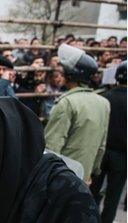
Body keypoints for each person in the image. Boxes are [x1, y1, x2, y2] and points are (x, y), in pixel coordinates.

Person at [45, 44, 109, 183]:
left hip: (61, 177)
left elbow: (52, 146)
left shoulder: (66, 102)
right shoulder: (103, 103)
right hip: (84, 175)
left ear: (70, 75)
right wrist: (91, 172)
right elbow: (101, 146)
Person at [90, 61, 126, 223]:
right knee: (113, 195)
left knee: (94, 191)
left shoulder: (105, 97)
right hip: (122, 155)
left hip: (102, 150)